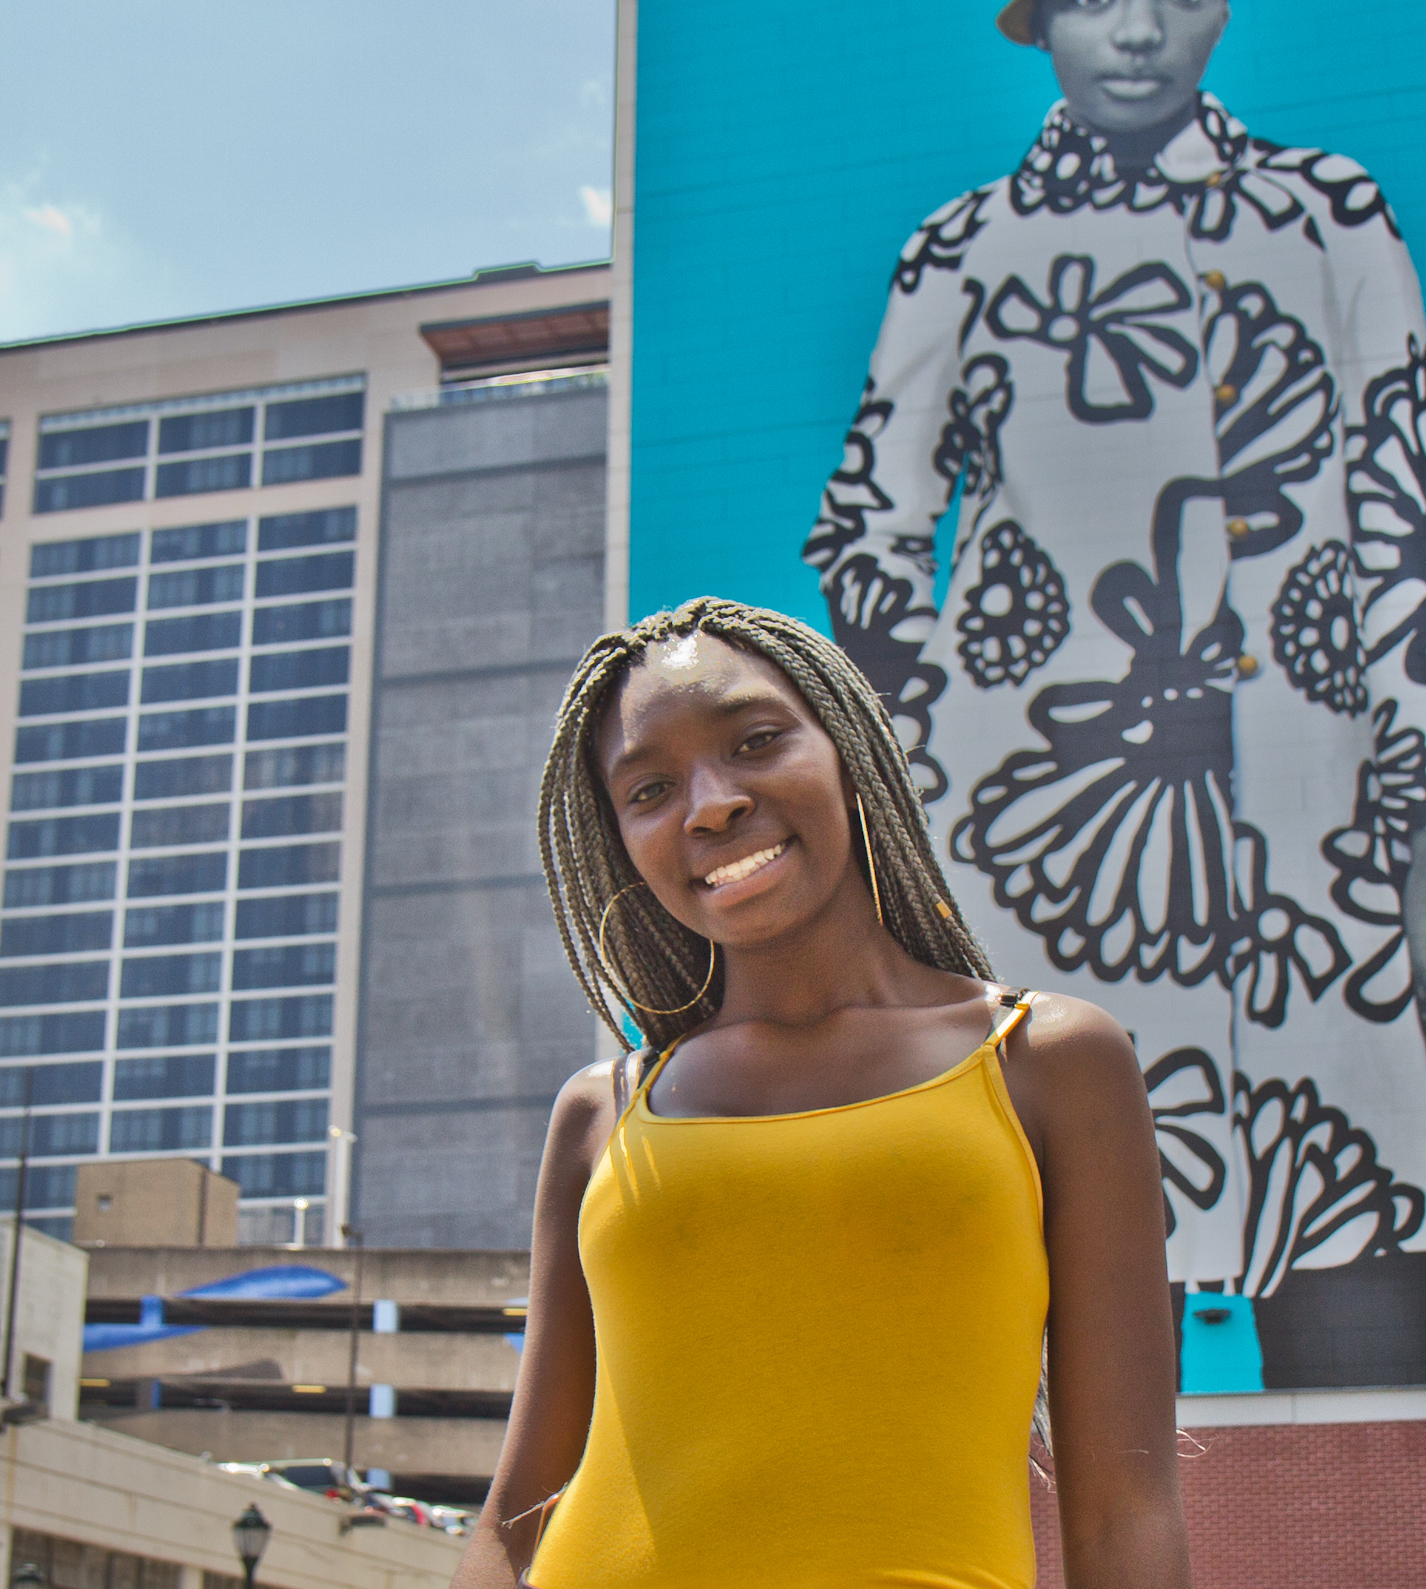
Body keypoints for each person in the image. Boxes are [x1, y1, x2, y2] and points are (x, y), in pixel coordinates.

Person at [807, 0, 1426, 1387]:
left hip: (1318, 842)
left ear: (1222, 12)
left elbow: (1404, 503)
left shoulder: (1330, 217)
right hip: (1052, 836)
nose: (1139, 32)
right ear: (1043, 23)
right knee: (1059, 1307)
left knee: (1358, 1284)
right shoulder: (961, 249)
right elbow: (866, 530)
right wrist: (934, 758)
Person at [455, 598, 1192, 1589]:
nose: (709, 804)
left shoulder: (1047, 1061)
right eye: (648, 789)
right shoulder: (603, 1112)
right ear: (621, 842)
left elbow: (1124, 1512)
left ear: (849, 749)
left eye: (756, 741)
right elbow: (513, 1521)